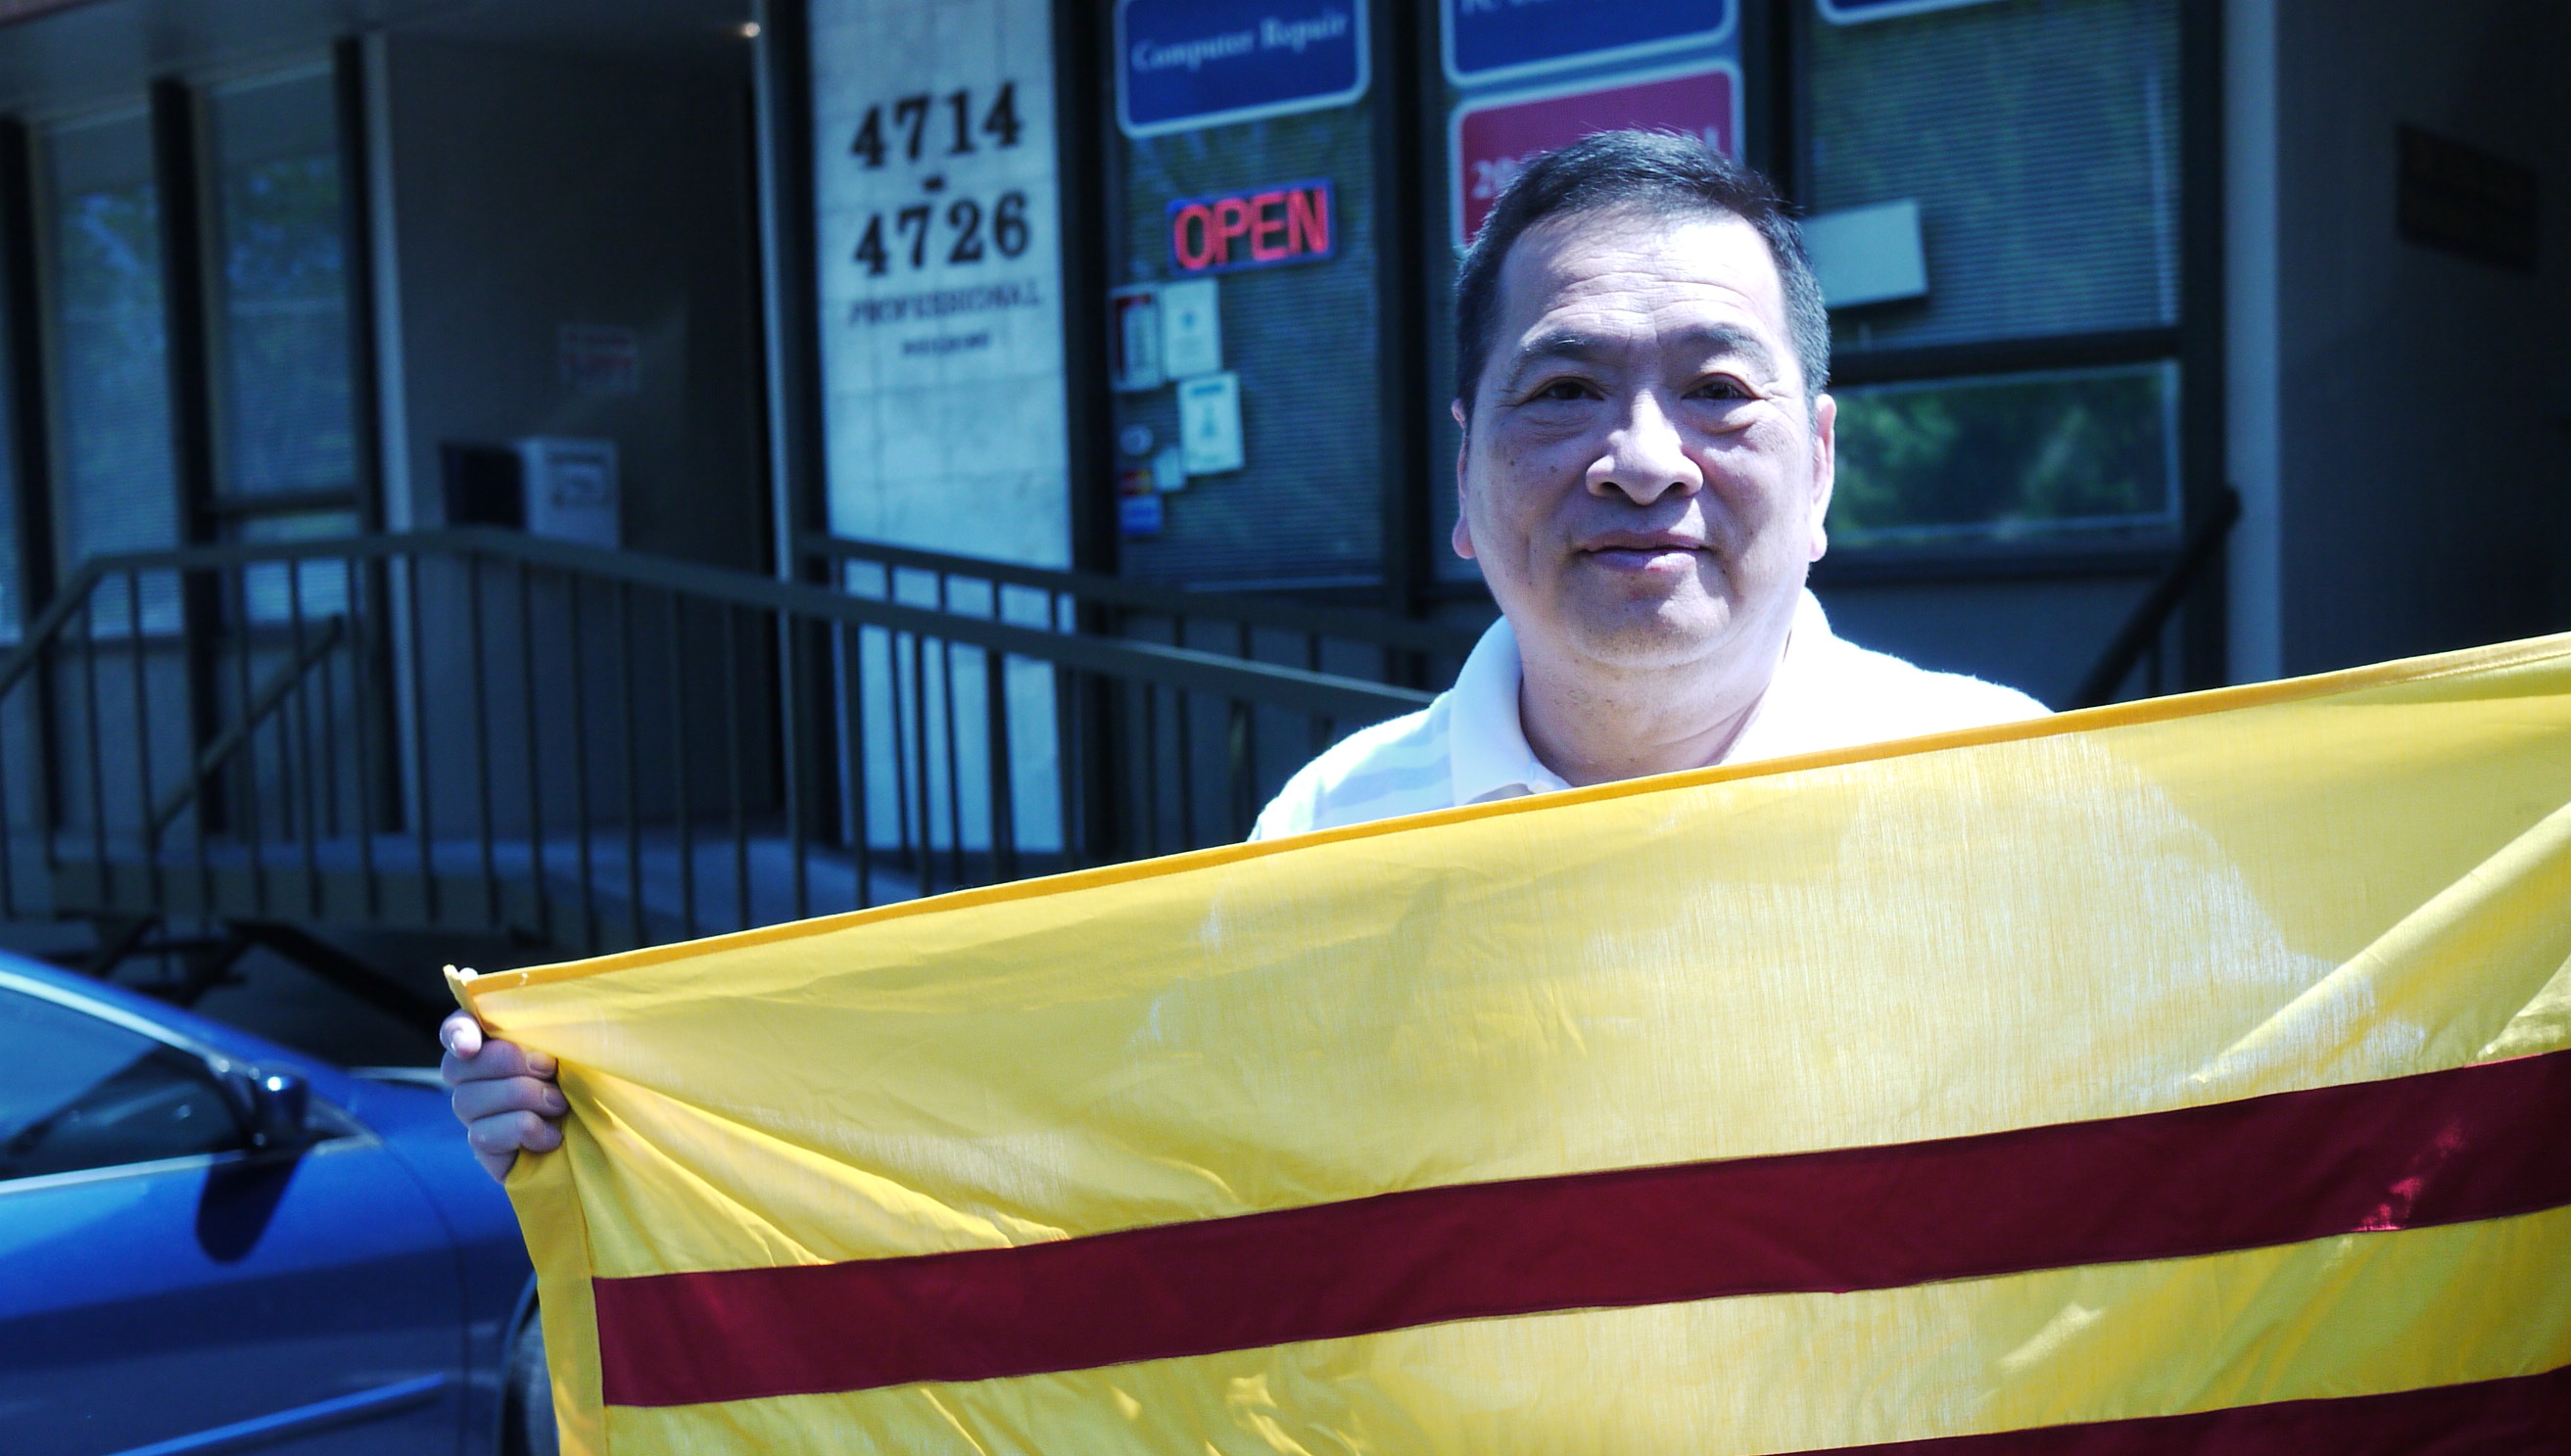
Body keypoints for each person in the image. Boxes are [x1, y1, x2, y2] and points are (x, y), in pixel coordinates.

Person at [442, 131, 2042, 1178]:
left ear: (1822, 468)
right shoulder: (1328, 841)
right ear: (1465, 485)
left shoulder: (2013, 807)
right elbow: (1112, 1174)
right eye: (1562, 393)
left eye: (1717, 388)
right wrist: (628, 1102)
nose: (1642, 458)